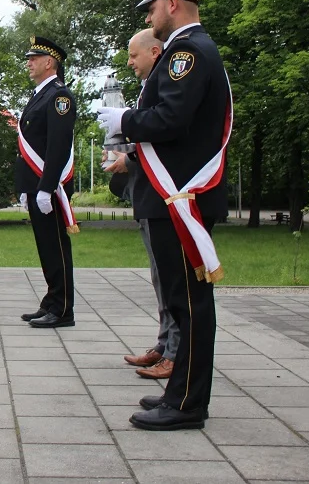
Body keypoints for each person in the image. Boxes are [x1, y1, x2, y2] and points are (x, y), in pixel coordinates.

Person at [98, 0, 232, 431]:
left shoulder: (187, 52)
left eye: (151, 7)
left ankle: (188, 404)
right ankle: (180, 394)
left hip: (181, 197)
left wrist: (125, 118)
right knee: (181, 301)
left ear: (172, 4)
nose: (149, 15)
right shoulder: (187, 50)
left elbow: (171, 119)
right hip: (174, 196)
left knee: (189, 302)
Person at [105, 29, 179, 381]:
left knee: (171, 278)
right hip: (148, 193)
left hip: (165, 194)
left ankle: (176, 352)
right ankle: (165, 345)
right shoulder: (153, 83)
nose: (130, 62)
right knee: (158, 275)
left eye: (134, 55)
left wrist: (128, 156)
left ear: (154, 50)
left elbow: (168, 134)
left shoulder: (171, 79)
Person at [15, 36, 79, 329]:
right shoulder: (40, 95)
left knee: (56, 246)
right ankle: (52, 300)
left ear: (49, 62)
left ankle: (64, 309)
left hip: (48, 187)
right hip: (36, 185)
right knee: (46, 247)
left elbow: (58, 146)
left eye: (34, 58)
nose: (29, 63)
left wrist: (45, 186)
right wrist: (25, 187)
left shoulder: (59, 97)